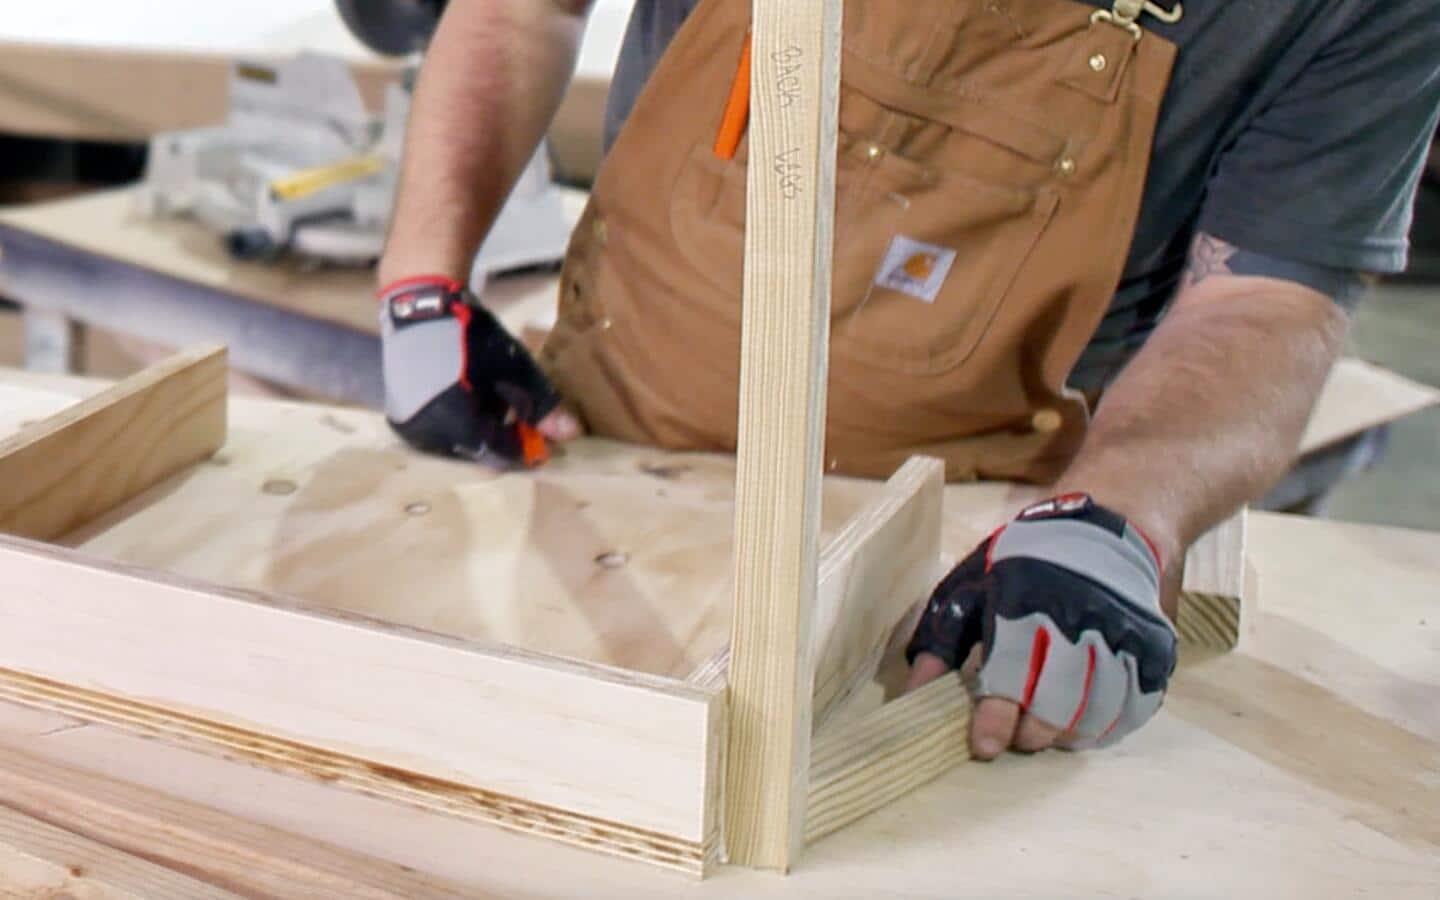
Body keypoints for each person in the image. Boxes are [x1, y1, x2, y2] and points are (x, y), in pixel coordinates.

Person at [374, 0, 1440, 760]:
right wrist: (422, 275)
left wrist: (1121, 519)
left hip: (956, 571)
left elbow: (1268, 293)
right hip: (591, 451)